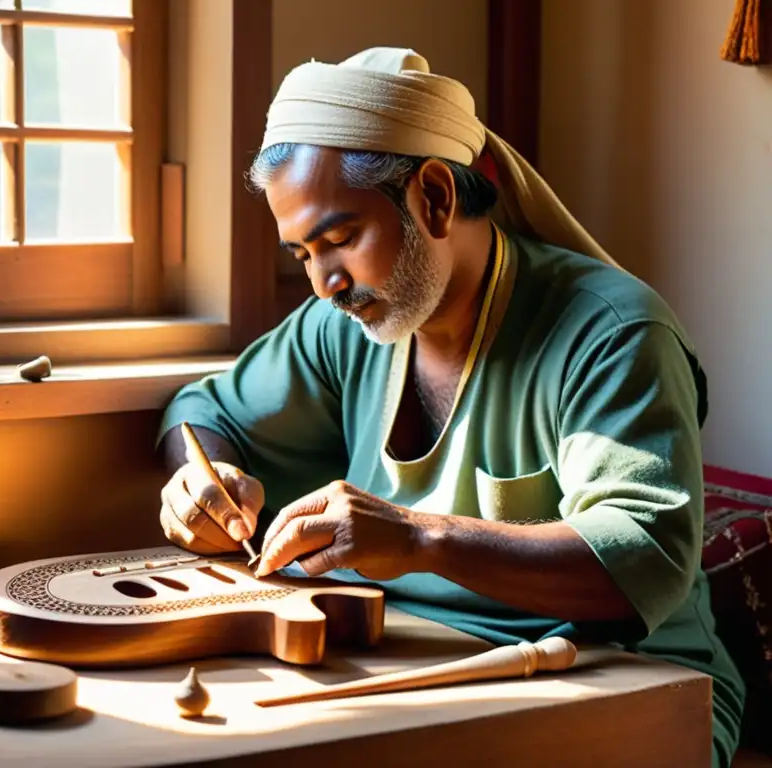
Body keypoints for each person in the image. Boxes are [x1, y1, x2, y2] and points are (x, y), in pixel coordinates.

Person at [154, 47, 745, 766]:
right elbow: (202, 411)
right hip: (411, 664)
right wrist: (201, 478)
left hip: (618, 678)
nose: (323, 284)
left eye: (340, 239)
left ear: (433, 197)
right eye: (301, 253)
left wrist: (416, 538)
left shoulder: (611, 332)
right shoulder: (344, 328)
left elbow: (641, 560)